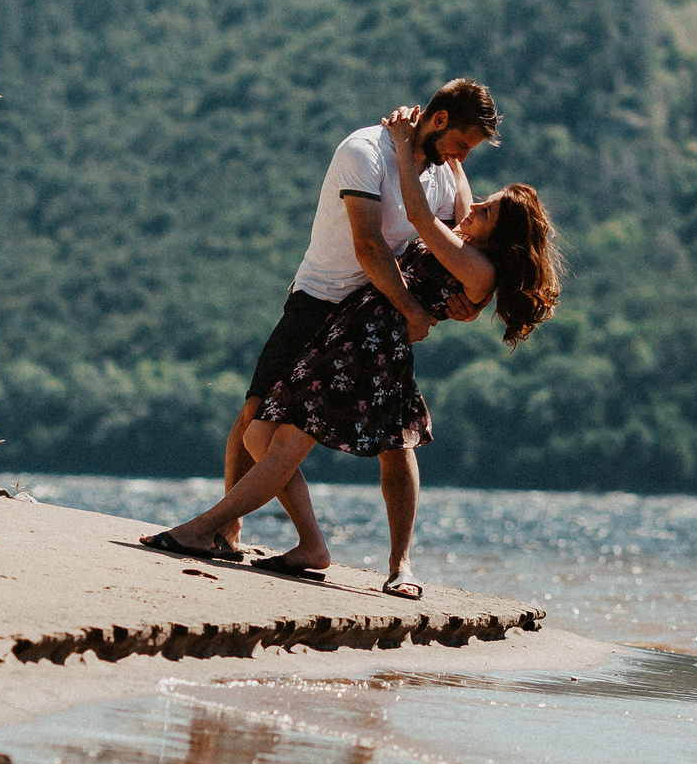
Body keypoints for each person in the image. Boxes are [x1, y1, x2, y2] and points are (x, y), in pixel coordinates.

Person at [144, 104, 563, 598]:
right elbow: (458, 196)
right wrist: (435, 139)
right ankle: (308, 545)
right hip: (350, 330)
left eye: (488, 211)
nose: (473, 206)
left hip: (368, 346)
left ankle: (204, 530)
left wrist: (408, 147)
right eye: (463, 150)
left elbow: (419, 217)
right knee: (262, 432)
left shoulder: (472, 262)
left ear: (499, 237)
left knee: (297, 443)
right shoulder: (465, 241)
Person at [204, 80, 499, 573]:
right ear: (439, 119)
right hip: (321, 302)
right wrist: (412, 309)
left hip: (373, 321)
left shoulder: (445, 175)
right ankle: (230, 532)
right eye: (462, 145)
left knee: (394, 440)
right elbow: (368, 244)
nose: (462, 158)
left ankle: (392, 562)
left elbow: (465, 238)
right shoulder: (365, 150)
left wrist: (466, 300)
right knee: (254, 416)